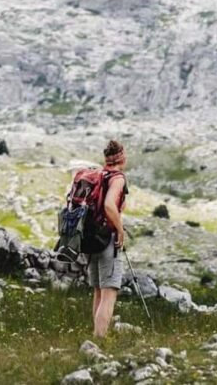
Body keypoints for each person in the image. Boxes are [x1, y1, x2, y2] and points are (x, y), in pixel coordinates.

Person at [89, 140, 129, 338]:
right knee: (109, 292)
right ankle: (100, 340)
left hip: (91, 238)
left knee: (98, 291)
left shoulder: (99, 175)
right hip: (107, 239)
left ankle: (95, 336)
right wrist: (120, 230)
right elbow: (109, 205)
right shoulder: (117, 178)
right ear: (122, 157)